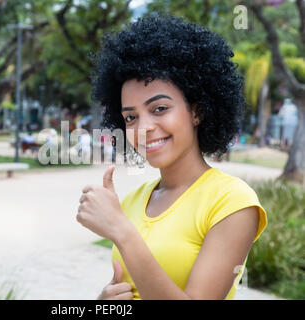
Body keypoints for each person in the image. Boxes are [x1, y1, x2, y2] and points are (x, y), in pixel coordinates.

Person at [76, 14, 268, 300]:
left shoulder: (232, 202)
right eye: (130, 117)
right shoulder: (132, 202)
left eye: (159, 109)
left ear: (197, 110)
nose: (143, 128)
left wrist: (122, 231)